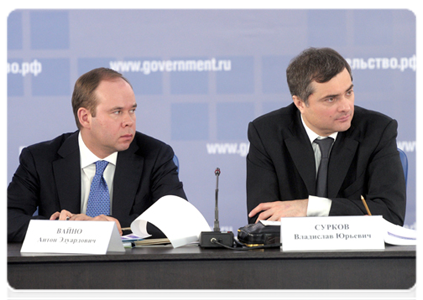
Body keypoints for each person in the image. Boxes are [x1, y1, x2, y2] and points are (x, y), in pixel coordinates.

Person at [6, 67, 186, 242]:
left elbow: (179, 221)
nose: (129, 121)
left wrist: (112, 226)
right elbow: (6, 218)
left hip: (131, 270)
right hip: (61, 269)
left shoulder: (155, 156)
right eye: (117, 112)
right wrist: (63, 229)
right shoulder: (40, 159)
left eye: (132, 110)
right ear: (85, 117)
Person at [247, 47, 406, 226]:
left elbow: (391, 215)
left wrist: (311, 208)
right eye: (331, 99)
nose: (346, 107)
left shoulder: (377, 130)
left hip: (356, 251)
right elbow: (261, 218)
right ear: (300, 103)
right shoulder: (266, 133)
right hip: (292, 252)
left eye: (349, 92)